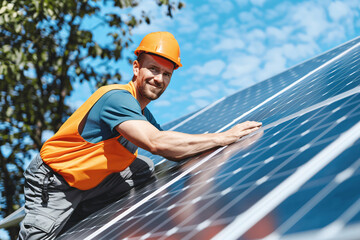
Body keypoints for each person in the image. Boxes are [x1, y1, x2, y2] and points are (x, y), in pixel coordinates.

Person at [18, 31, 262, 239]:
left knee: (143, 169)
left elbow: (173, 150)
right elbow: (156, 143)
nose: (159, 79)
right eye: (154, 69)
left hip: (95, 180)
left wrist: (206, 153)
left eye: (167, 74)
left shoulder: (141, 112)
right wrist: (223, 137)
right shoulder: (116, 98)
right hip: (57, 182)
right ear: (136, 68)